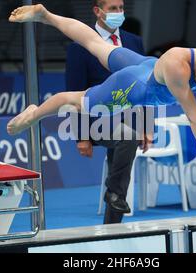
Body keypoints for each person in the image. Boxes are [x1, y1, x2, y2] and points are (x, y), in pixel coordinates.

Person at [7, 4, 196, 199]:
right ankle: (35, 113)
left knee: (96, 44)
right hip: (135, 86)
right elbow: (195, 120)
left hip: (147, 66)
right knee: (79, 102)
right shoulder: (179, 67)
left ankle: (45, 15)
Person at [66, 0, 146, 224]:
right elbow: (73, 93)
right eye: (113, 9)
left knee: (126, 141)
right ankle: (115, 194)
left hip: (127, 118)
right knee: (128, 135)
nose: (119, 13)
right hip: (96, 121)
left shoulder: (134, 42)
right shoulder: (79, 47)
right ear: (97, 11)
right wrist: (81, 136)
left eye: (121, 8)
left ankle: (112, 226)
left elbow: (145, 85)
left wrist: (147, 127)